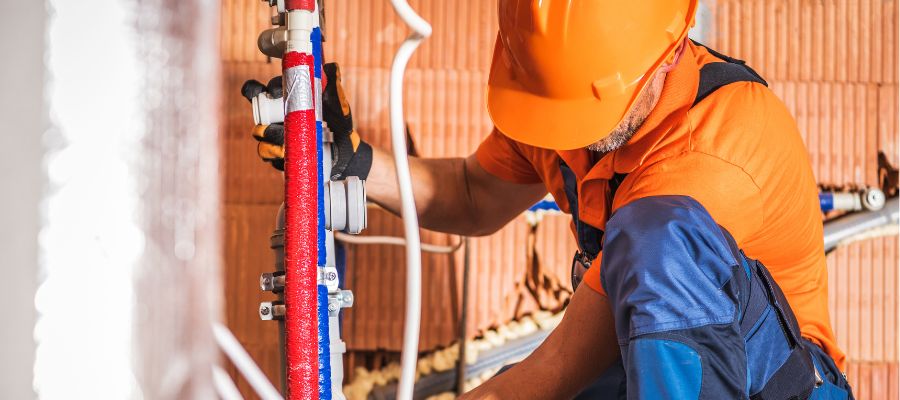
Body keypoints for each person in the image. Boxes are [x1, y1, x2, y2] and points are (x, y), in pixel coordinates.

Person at [242, 1, 854, 398]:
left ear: (669, 52)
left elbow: (555, 372)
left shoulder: (712, 154)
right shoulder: (555, 99)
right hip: (644, 375)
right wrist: (356, 167)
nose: (567, 138)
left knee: (654, 241)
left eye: (586, 114)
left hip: (774, 386)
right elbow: (473, 194)